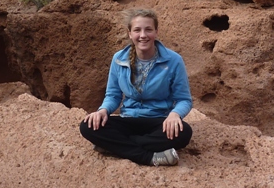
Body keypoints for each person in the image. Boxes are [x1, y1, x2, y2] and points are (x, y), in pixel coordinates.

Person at [80, 9, 193, 166]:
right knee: (88, 126)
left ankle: (115, 146)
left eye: (148, 29)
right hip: (128, 119)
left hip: (159, 122)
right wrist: (103, 111)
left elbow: (184, 100)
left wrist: (175, 114)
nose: (143, 35)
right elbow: (113, 95)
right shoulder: (119, 59)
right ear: (129, 33)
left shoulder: (173, 60)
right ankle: (149, 158)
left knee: (184, 132)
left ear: (156, 32)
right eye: (137, 30)